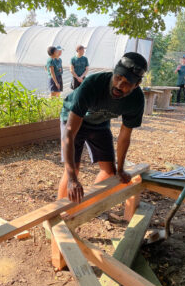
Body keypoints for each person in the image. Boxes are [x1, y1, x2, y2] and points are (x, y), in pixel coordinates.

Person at [57, 52, 146, 203]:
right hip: (75, 118)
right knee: (73, 169)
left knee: (110, 172)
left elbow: (124, 138)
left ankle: (87, 206)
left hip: (100, 123)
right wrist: (73, 179)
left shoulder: (136, 100)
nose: (119, 85)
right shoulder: (93, 84)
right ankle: (60, 213)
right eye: (118, 78)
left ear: (136, 84)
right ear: (114, 72)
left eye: (126, 83)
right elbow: (70, 133)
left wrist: (120, 169)